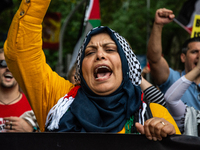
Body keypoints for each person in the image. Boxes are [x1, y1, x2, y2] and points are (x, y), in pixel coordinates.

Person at [4, 0, 180, 141]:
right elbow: (20, 53)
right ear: (81, 69)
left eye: (110, 49)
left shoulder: (152, 113)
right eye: (89, 52)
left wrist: (167, 136)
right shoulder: (58, 100)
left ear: (126, 66)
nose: (100, 55)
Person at [147, 8, 200, 110]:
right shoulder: (173, 79)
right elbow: (155, 60)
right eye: (194, 52)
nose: (199, 56)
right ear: (183, 57)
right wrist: (158, 25)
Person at [0, 48, 39, 132]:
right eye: (3, 63)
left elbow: (49, 141)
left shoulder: (34, 107)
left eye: (14, 65)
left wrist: (31, 130)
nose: (8, 68)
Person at [164, 53, 200, 136]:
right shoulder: (193, 118)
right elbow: (171, 99)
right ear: (183, 57)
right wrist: (198, 69)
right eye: (194, 52)